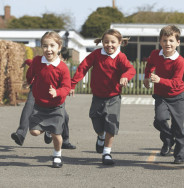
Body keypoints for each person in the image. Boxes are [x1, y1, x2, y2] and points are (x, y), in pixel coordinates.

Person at [69, 29, 136, 165]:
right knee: (96, 122)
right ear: (102, 42)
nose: (109, 45)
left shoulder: (120, 57)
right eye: (106, 42)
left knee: (111, 123)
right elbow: (83, 67)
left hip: (113, 96)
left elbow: (131, 69)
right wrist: (72, 83)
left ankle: (107, 153)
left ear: (119, 43)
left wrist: (125, 76)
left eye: (113, 42)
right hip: (98, 96)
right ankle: (100, 136)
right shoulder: (96, 54)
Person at [144, 25, 184, 164]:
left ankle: (179, 155)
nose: (167, 43)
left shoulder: (180, 61)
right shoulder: (155, 54)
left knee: (178, 127)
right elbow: (150, 65)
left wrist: (159, 80)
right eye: (164, 40)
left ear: (177, 43)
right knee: (160, 120)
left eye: (171, 40)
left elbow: (176, 82)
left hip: (177, 96)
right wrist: (147, 76)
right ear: (160, 41)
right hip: (161, 95)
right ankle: (168, 139)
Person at [26, 31, 71, 168]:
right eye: (45, 46)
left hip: (56, 107)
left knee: (56, 134)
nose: (48, 49)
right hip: (39, 106)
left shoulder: (62, 68)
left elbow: (67, 87)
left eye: (52, 45)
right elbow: (31, 71)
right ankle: (47, 130)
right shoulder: (38, 61)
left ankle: (57, 155)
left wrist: (57, 92)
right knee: (33, 132)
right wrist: (29, 81)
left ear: (59, 47)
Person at [11, 60, 76, 149]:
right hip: (37, 88)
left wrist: (68, 88)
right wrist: (26, 63)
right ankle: (21, 133)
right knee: (29, 105)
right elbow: (31, 62)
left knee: (64, 116)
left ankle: (63, 140)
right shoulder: (40, 61)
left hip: (53, 92)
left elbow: (66, 83)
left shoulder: (61, 66)